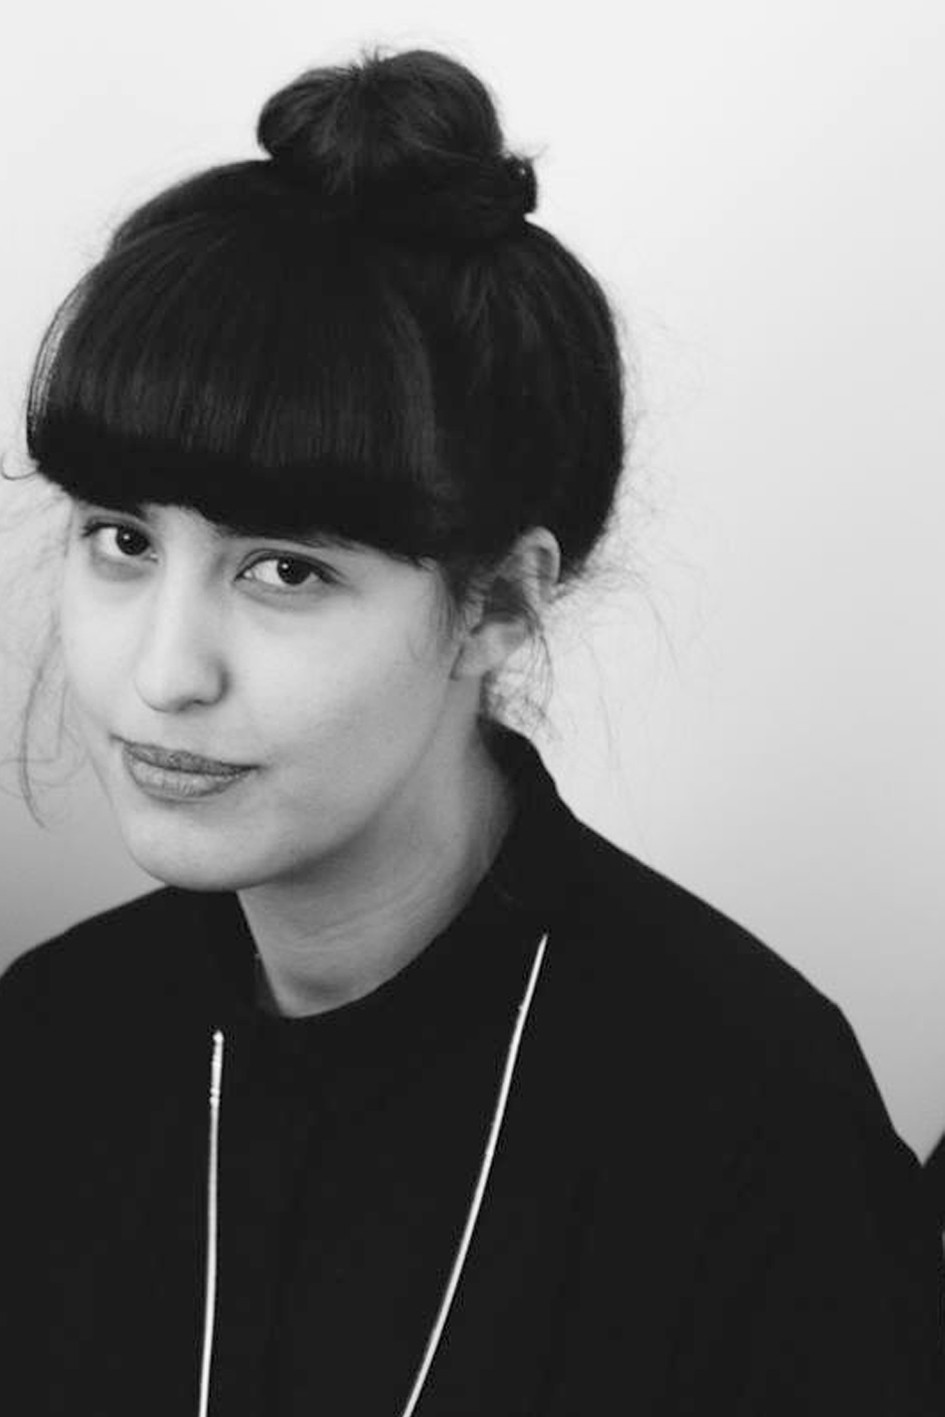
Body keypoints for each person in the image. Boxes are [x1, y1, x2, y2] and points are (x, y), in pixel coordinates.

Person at [1, 47, 941, 1417]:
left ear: (496, 601)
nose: (163, 673)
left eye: (285, 569)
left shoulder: (744, 1112)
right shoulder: (48, 1039)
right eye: (122, 540)